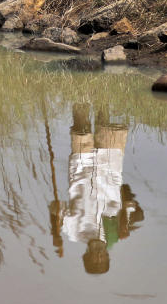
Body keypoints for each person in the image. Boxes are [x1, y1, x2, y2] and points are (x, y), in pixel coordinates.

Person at [55, 104, 143, 274]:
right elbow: (132, 205)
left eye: (94, 258)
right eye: (102, 257)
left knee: (81, 121)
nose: (98, 254)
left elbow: (56, 207)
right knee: (105, 115)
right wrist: (126, 218)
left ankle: (80, 86)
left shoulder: (72, 232)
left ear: (85, 254)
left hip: (81, 165)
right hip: (110, 164)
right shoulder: (118, 233)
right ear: (108, 255)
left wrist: (55, 228)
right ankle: (102, 89)